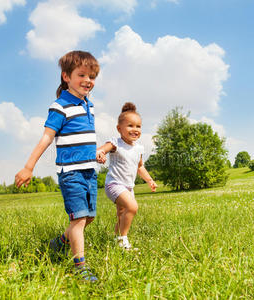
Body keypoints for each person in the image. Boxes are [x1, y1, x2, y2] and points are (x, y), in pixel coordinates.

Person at [15, 50, 99, 282]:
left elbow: (83, 139)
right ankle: (80, 267)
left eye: (91, 76)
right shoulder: (60, 106)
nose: (87, 81)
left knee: (88, 218)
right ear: (66, 76)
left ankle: (60, 243)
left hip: (89, 171)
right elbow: (46, 138)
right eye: (81, 74)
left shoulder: (88, 106)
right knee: (79, 220)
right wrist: (28, 167)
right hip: (71, 173)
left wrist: (96, 154)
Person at [96, 102, 157, 250]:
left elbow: (140, 166)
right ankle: (124, 240)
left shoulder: (138, 148)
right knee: (132, 207)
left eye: (138, 126)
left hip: (129, 187)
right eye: (130, 126)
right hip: (114, 184)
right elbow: (102, 149)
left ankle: (117, 242)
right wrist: (100, 153)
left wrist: (149, 180)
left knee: (122, 214)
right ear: (119, 128)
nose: (135, 129)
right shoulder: (116, 143)